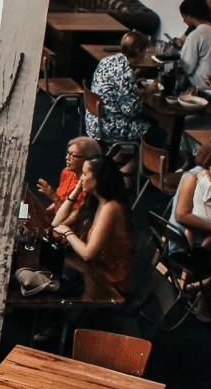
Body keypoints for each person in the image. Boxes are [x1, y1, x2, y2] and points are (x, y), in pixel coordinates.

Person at [168, 136, 211, 320]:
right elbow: (182, 216)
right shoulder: (194, 177)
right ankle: (200, 295)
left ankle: (200, 289)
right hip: (187, 245)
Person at [52, 153, 133, 296]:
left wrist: (67, 232)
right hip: (94, 268)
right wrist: (76, 191)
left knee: (56, 281)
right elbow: (56, 223)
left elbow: (88, 254)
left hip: (112, 284)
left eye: (84, 174)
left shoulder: (111, 207)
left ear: (99, 179)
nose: (80, 178)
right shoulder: (95, 199)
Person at [86, 31, 164, 144]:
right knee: (159, 133)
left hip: (94, 121)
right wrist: (147, 92)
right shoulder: (127, 73)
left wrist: (134, 83)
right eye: (145, 51)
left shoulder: (106, 60)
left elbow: (116, 86)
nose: (145, 55)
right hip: (110, 127)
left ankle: (127, 153)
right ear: (138, 51)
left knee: (152, 123)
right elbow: (131, 111)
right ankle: (134, 156)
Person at [176, 0, 211, 90]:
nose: (184, 21)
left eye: (184, 17)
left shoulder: (196, 35)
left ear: (190, 15)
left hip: (198, 85)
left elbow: (187, 68)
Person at [37, 134, 101, 212]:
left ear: (87, 159)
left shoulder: (89, 186)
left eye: (72, 155)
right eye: (68, 153)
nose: (67, 157)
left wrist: (53, 197)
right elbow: (61, 200)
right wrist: (45, 212)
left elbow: (70, 217)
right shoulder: (66, 172)